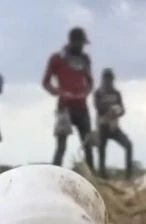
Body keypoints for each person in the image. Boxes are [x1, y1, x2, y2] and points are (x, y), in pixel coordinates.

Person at [42, 26, 95, 173]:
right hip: (64, 108)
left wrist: (85, 93)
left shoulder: (85, 59)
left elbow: (90, 82)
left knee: (88, 144)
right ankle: (54, 176)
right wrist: (59, 92)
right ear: (73, 41)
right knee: (61, 146)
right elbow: (45, 82)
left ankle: (93, 179)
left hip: (82, 107)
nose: (82, 47)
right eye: (81, 43)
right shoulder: (57, 58)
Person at [92, 68, 132, 178]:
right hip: (103, 125)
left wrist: (117, 112)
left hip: (114, 126)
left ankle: (128, 175)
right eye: (106, 79)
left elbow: (122, 110)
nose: (108, 82)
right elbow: (98, 108)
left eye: (110, 79)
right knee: (101, 150)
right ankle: (102, 174)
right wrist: (109, 110)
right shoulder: (98, 93)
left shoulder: (116, 93)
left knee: (128, 145)